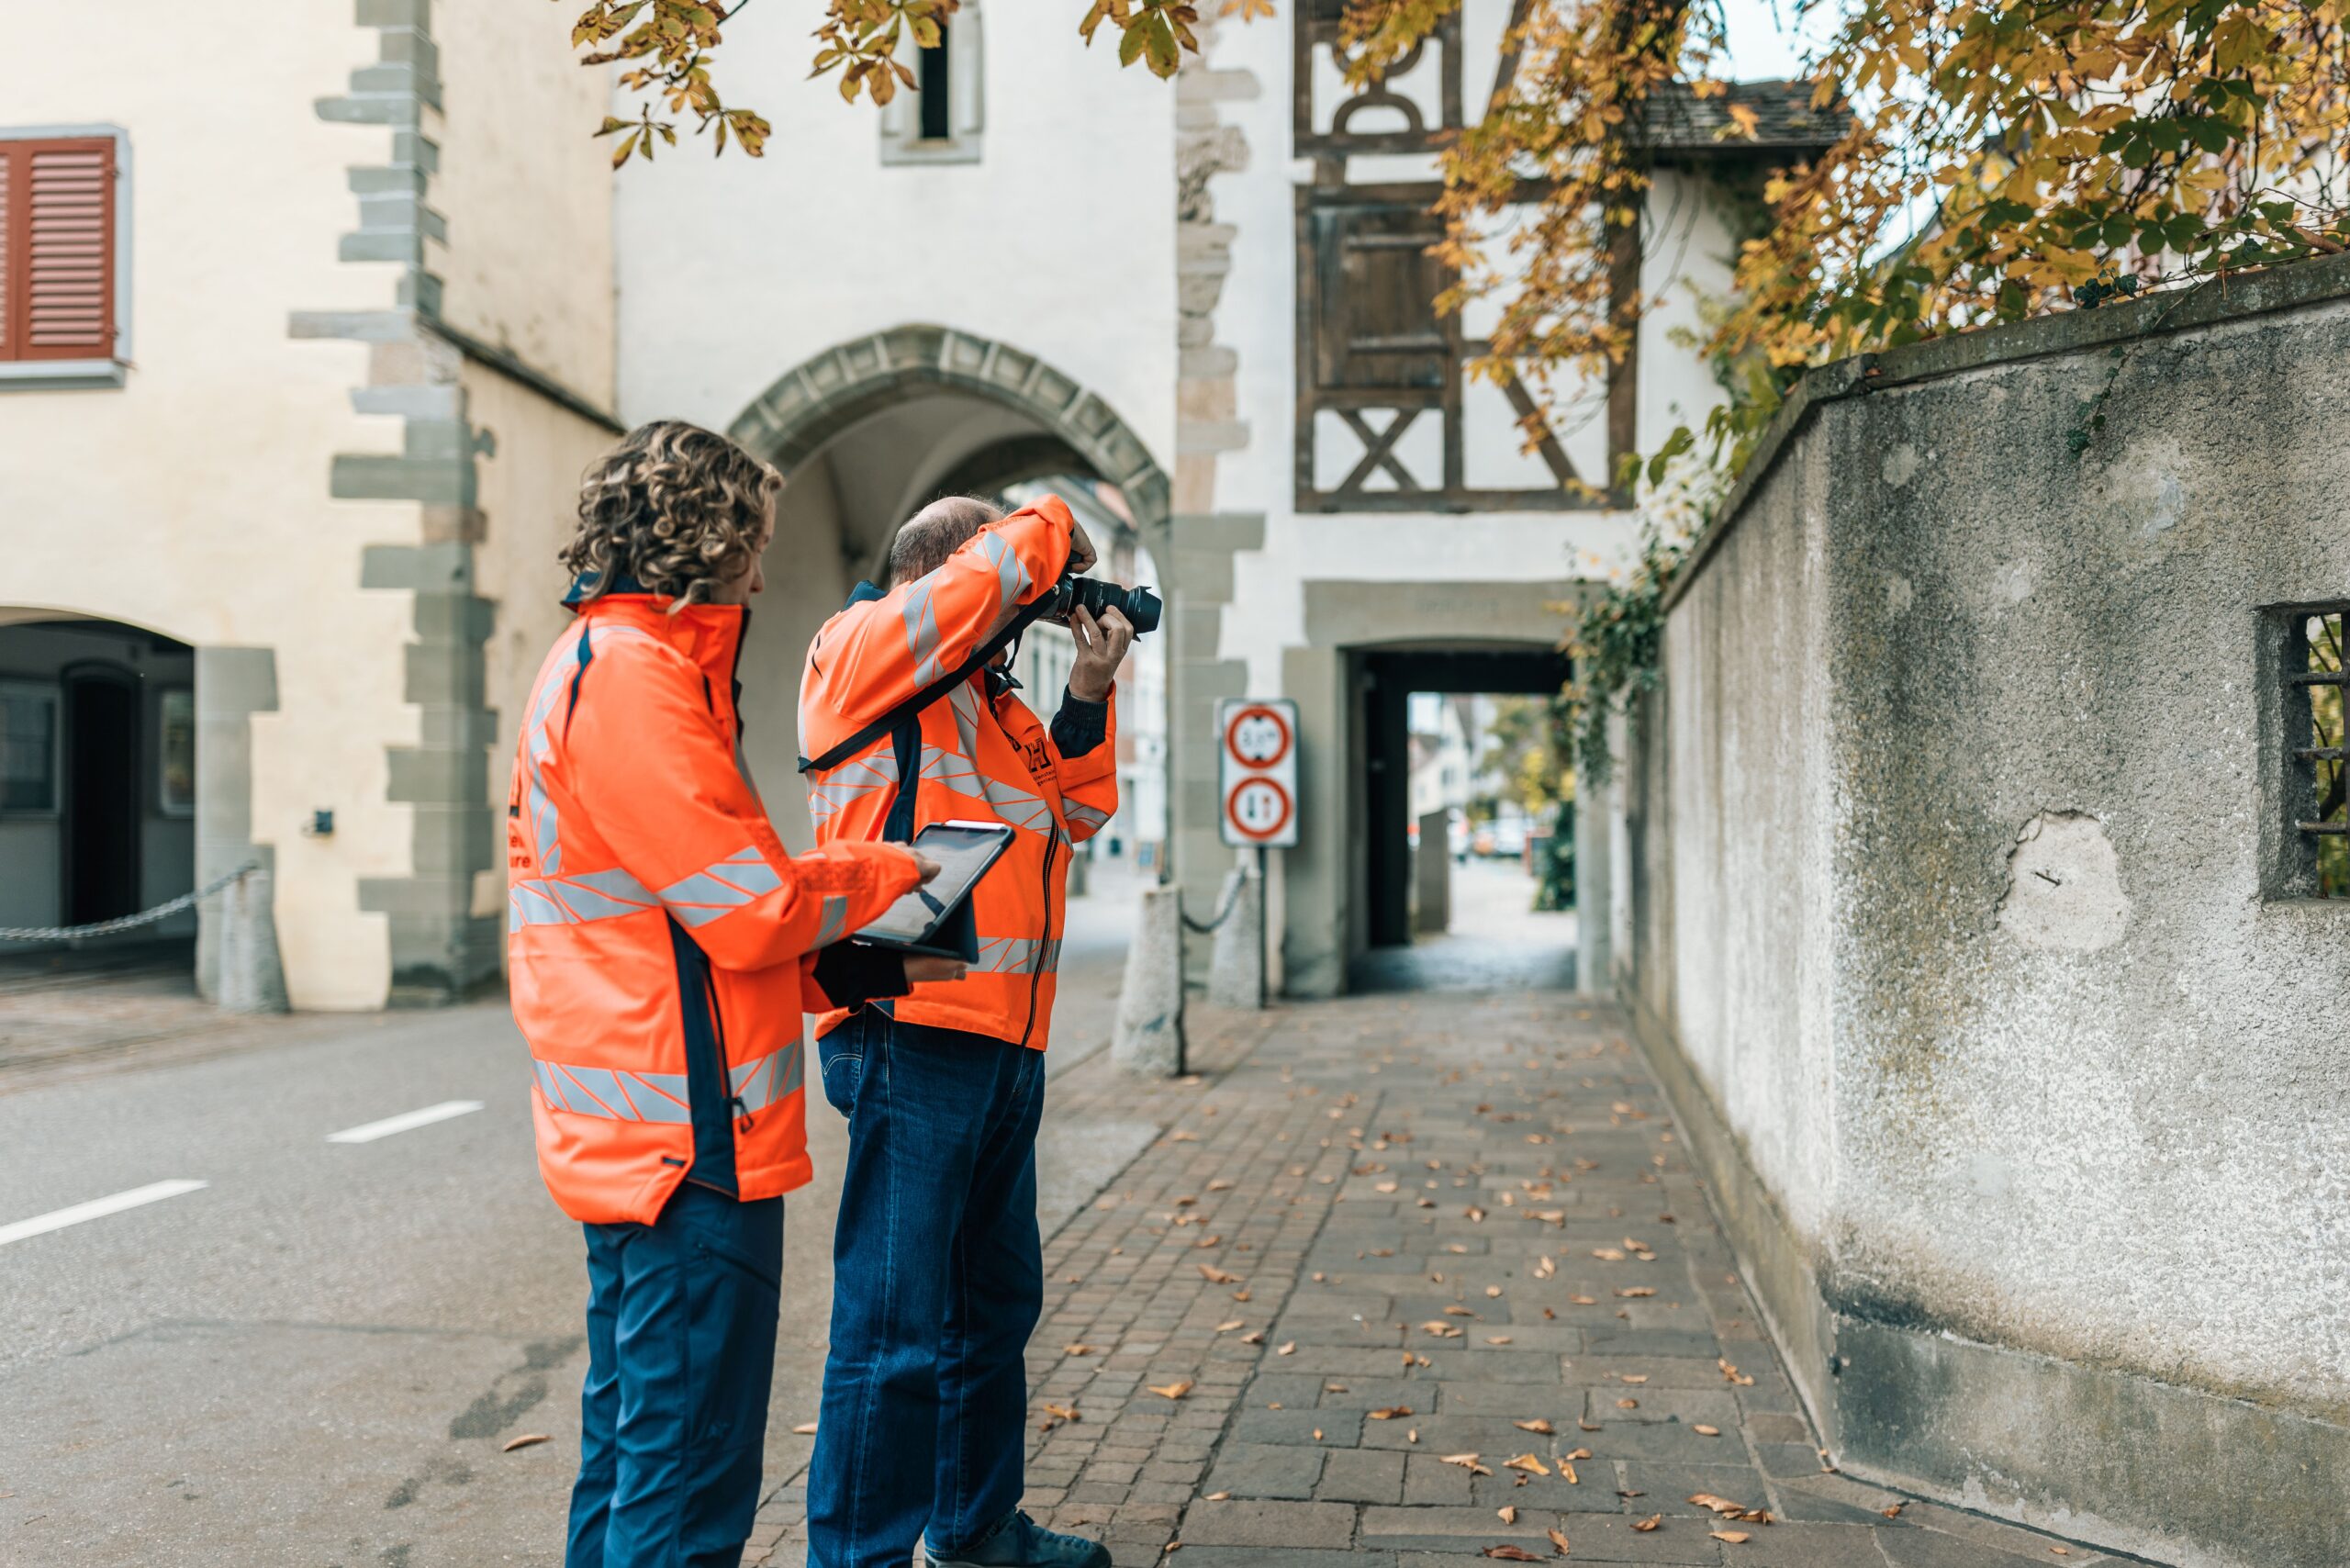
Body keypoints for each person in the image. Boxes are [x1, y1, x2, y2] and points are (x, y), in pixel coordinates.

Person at [506, 420, 961, 1568]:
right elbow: (750, 907)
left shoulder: (615, 670)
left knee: (635, 1447)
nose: (762, 567)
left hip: (646, 1130)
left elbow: (696, 903)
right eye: (752, 538)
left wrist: (842, 951)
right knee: (687, 1470)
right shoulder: (637, 683)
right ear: (707, 538)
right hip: (688, 1141)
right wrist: (897, 873)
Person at [799, 493, 1134, 1568]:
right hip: (908, 1025)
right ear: (952, 567)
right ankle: (857, 1557)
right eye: (1002, 568)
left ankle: (975, 1531)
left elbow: (1074, 813)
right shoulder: (860, 649)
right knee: (892, 1329)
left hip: (1001, 1040)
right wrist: (1053, 525)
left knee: (990, 1311)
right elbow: (994, 573)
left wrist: (1086, 691)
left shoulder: (987, 695)